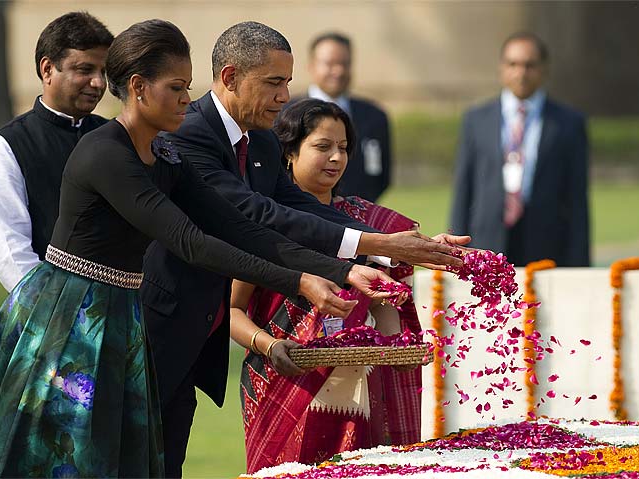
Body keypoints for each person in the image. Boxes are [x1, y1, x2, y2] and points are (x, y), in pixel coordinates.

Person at [0, 20, 400, 477]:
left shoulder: (165, 154)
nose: (185, 99)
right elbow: (191, 242)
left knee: (134, 459)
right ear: (138, 88)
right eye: (176, 88)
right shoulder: (106, 153)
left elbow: (237, 226)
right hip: (68, 317)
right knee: (63, 460)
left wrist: (339, 271)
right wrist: (298, 280)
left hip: (120, 313)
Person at [145, 21, 469, 476]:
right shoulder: (188, 134)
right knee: (139, 457)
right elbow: (255, 214)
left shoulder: (258, 135)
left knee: (169, 457)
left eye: (288, 83)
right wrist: (374, 244)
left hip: (203, 327)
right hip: (160, 320)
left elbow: (299, 204)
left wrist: (396, 248)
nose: (284, 97)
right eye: (274, 83)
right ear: (231, 77)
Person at [230, 99, 423, 473]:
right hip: (281, 382)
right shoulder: (262, 219)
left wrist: (394, 346)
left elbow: (384, 297)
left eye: (344, 148)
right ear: (288, 152)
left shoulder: (363, 221)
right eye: (322, 147)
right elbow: (234, 311)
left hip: (358, 381)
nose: (336, 157)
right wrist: (270, 346)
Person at [0, 12, 114, 291]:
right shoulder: (6, 147)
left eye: (103, 72)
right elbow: (10, 252)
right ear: (47, 69)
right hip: (49, 317)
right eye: (85, 70)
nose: (98, 83)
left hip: (124, 316)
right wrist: (54, 310)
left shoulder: (115, 137)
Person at [450, 31, 590, 266]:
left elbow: (577, 198)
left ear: (544, 69)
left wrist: (579, 260)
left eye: (529, 65)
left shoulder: (568, 123)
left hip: (546, 243)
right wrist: (455, 251)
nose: (521, 73)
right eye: (513, 64)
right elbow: (463, 189)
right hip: (487, 240)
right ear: (501, 68)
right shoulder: (476, 120)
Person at [303, 32, 392, 202]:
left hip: (359, 218)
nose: (338, 71)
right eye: (330, 64)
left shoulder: (374, 116)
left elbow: (381, 176)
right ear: (311, 66)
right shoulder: (286, 113)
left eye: (344, 63)